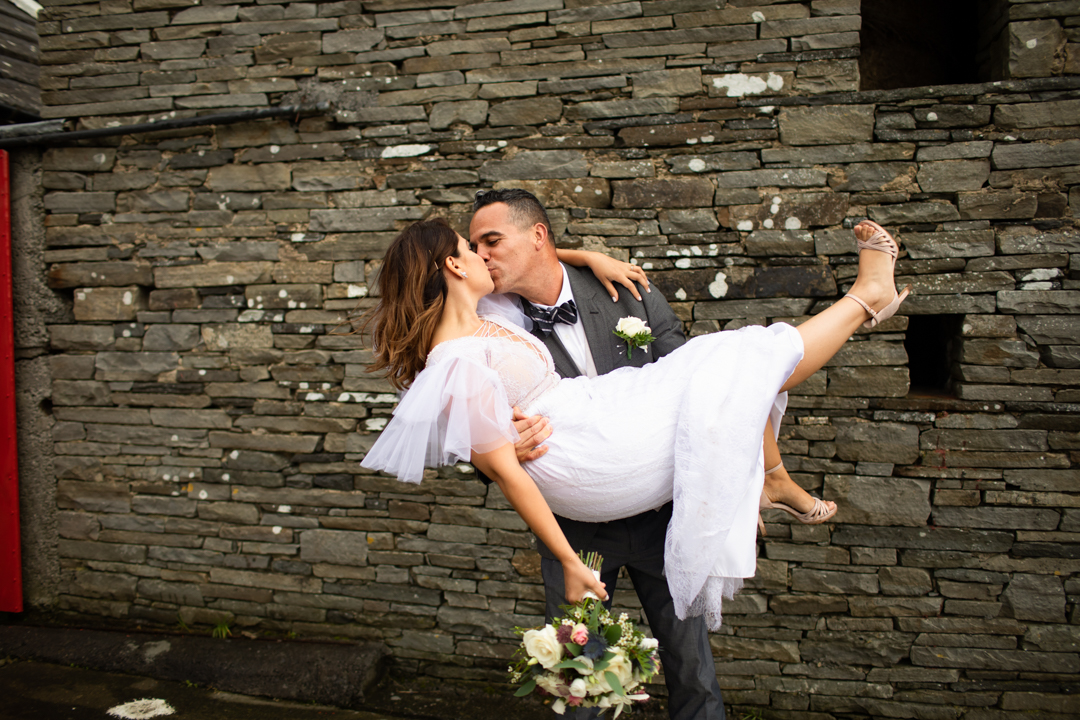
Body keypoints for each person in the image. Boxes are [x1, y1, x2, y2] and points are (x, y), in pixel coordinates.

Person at [359, 204, 906, 696]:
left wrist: (586, 256)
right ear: (454, 266)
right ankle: (866, 299)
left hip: (609, 426)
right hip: (594, 465)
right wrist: (569, 560)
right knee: (582, 672)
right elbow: (506, 473)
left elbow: (532, 258)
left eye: (489, 243)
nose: (481, 254)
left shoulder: (492, 311)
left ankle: (775, 470)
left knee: (730, 361)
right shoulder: (457, 357)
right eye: (470, 246)